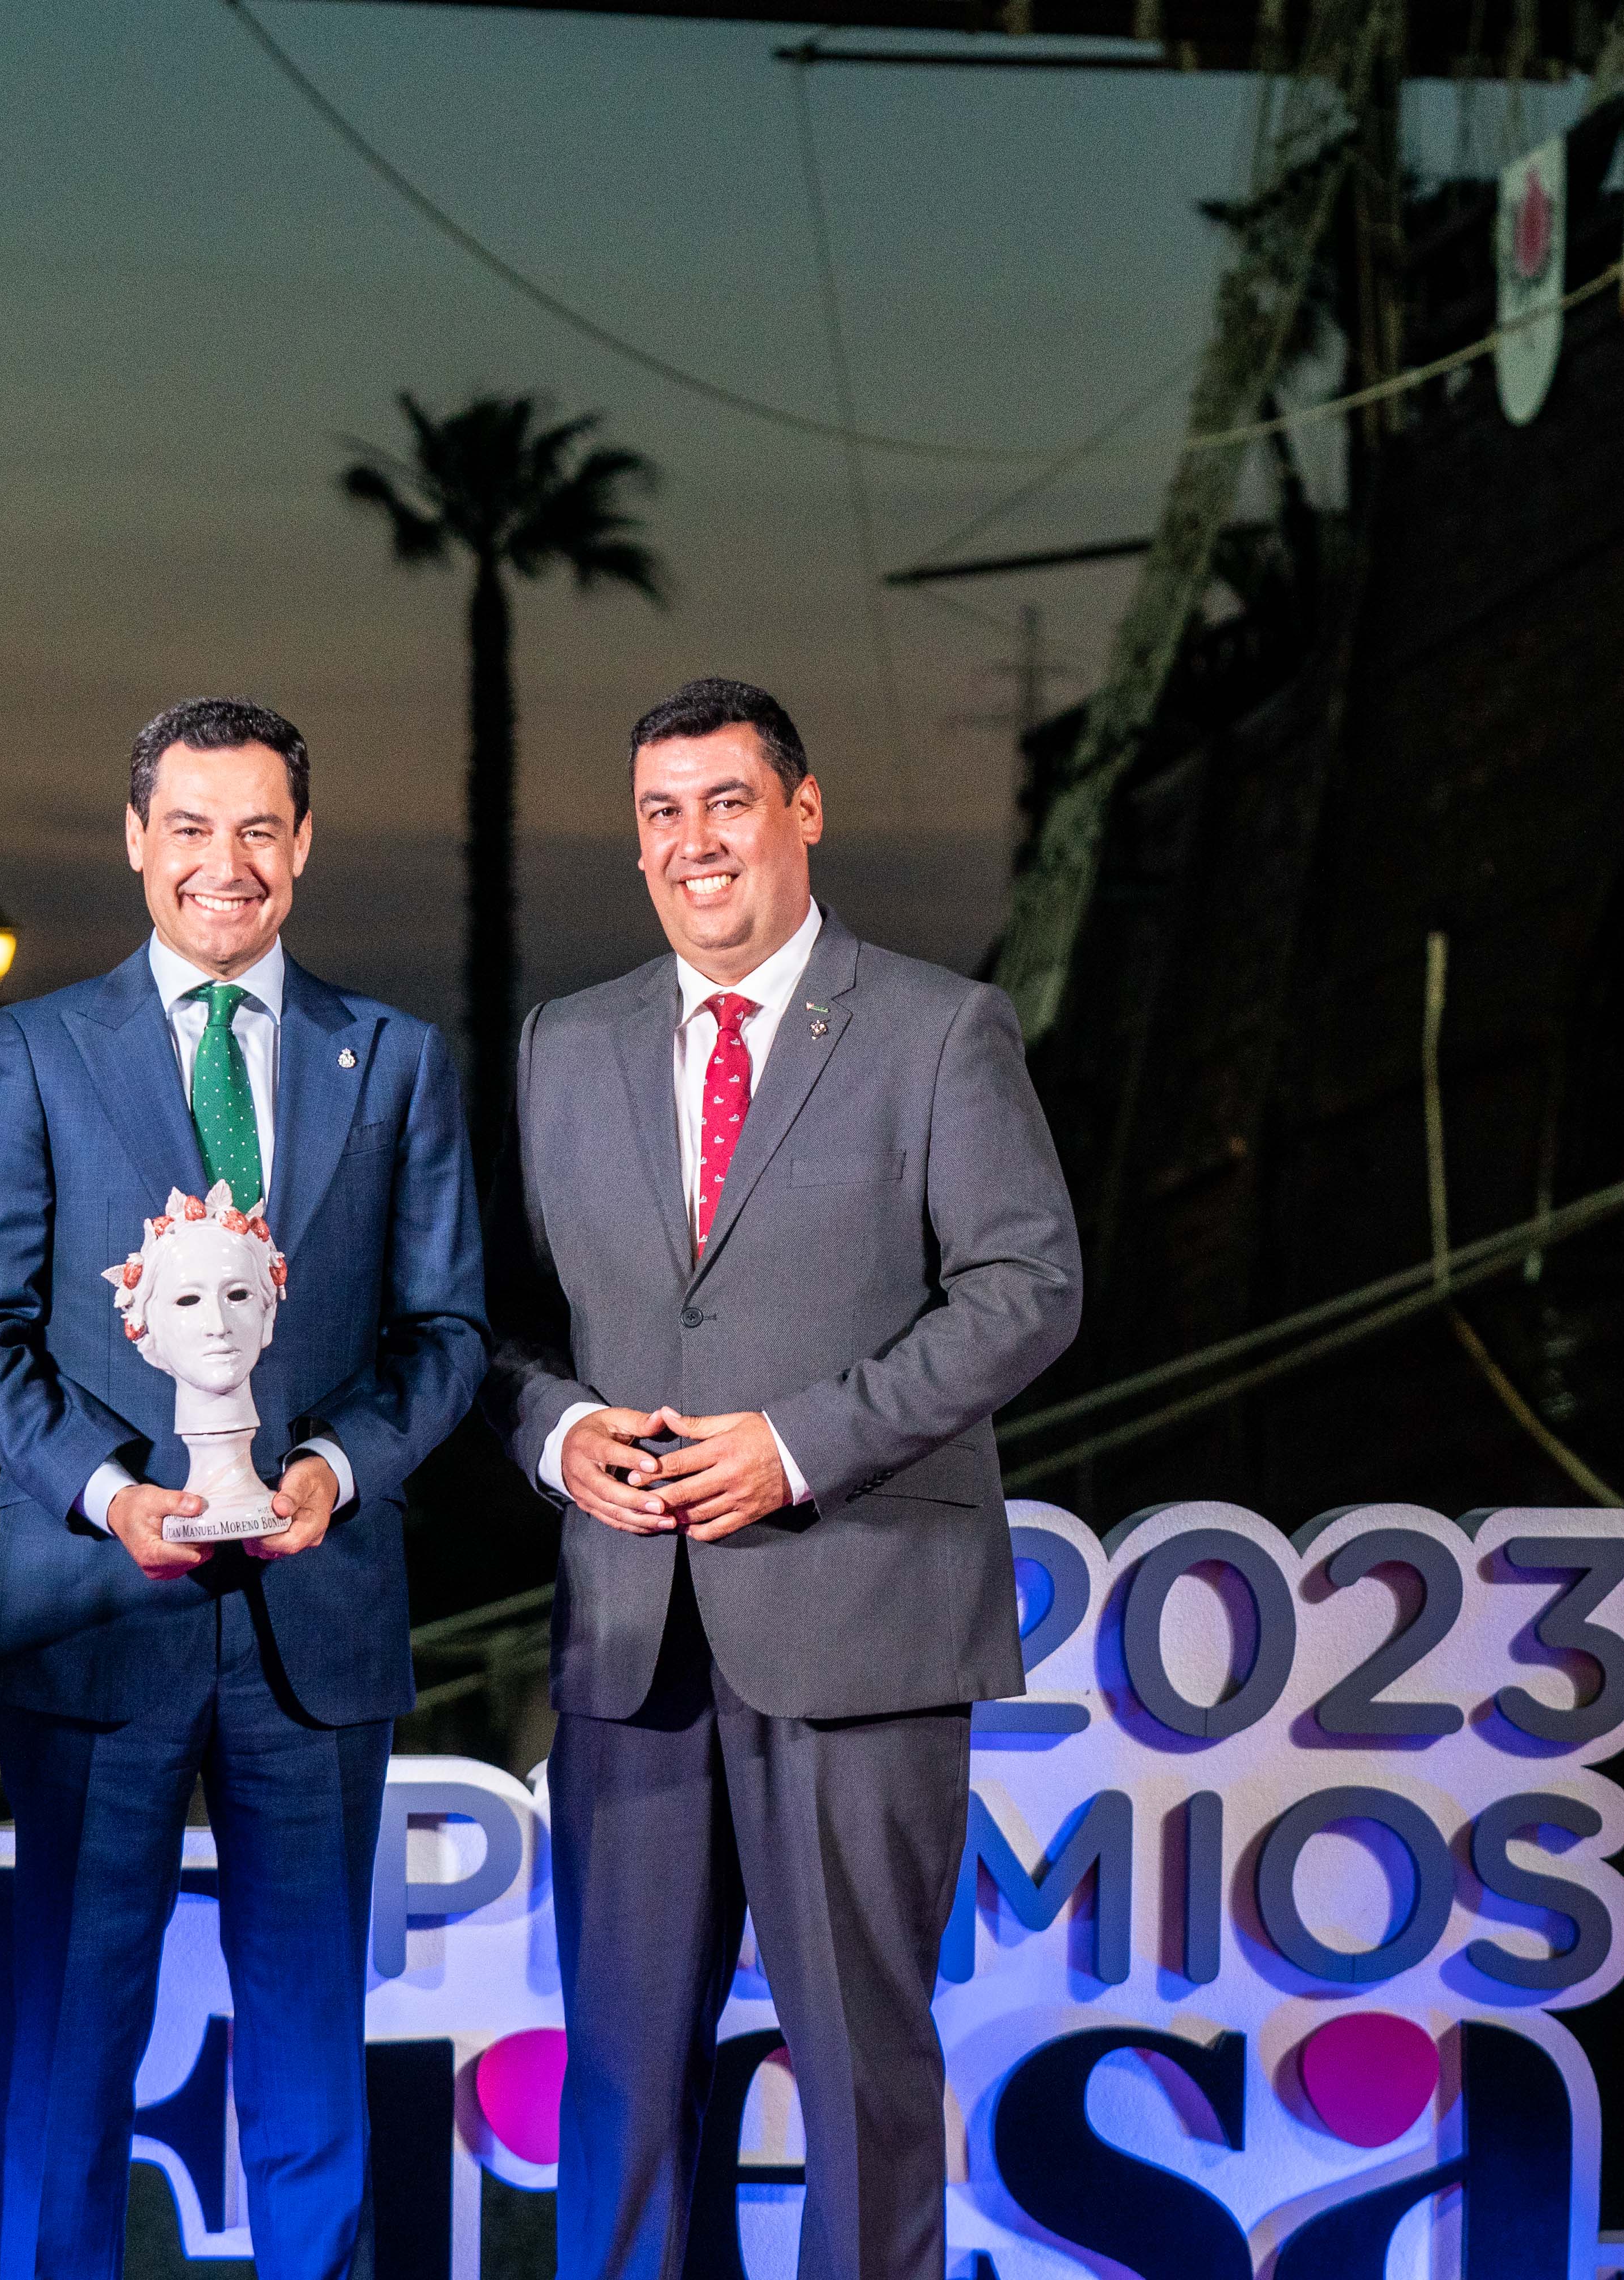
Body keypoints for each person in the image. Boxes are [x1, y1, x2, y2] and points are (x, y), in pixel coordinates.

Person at [482, 676, 1081, 2280]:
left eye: (728, 803)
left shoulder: (939, 1030)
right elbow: (499, 1327)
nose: (695, 844)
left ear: (802, 813)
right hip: (631, 1647)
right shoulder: (568, 1046)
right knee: (619, 2085)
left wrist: (799, 1443)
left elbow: (1029, 1288)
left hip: (861, 1624)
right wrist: (552, 1430)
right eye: (662, 813)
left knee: (862, 2083)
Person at [0, 696, 485, 2280]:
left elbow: (445, 1334)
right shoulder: (37, 1050)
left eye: (257, 828)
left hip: (320, 1622)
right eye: (190, 826)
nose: (222, 864)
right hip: (98, 1612)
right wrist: (107, 1493)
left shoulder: (398, 1062)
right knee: (70, 2059)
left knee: (312, 2060)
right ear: (135, 842)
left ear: (302, 846)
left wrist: (337, 1469)